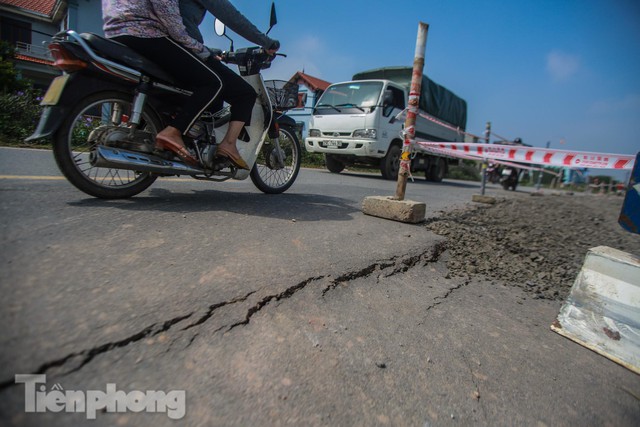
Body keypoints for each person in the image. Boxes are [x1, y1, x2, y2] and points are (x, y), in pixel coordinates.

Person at [102, 0, 276, 169]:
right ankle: (222, 143)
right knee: (231, 88)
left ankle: (183, 139)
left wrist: (203, 49)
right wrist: (267, 42)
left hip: (115, 33)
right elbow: (224, 16)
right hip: (158, 37)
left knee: (208, 90)